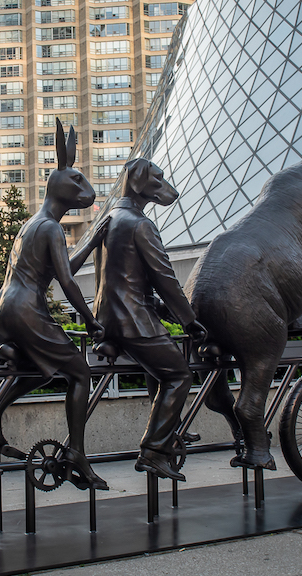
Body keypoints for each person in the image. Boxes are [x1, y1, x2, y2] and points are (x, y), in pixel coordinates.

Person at [0, 119, 109, 490]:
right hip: (26, 310)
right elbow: (67, 282)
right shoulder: (52, 227)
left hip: (3, 307)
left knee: (38, 368)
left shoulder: (33, 224)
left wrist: (89, 242)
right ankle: (77, 455)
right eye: (77, 183)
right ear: (58, 184)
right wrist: (89, 319)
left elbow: (60, 269)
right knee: (81, 374)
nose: (84, 190)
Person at [92, 158, 206, 481]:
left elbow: (115, 276)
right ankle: (154, 450)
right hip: (132, 321)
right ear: (141, 183)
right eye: (158, 179)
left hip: (108, 319)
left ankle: (169, 427)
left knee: (159, 363)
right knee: (179, 375)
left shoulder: (111, 217)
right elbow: (165, 278)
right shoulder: (141, 224)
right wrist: (189, 320)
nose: (164, 186)